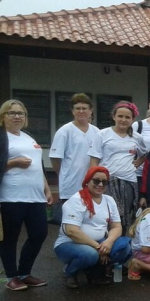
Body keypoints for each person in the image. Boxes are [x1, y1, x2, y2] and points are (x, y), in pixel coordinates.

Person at [0, 100, 52, 291]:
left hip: (35, 196)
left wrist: (47, 188)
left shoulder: (29, 137)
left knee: (39, 233)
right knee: (10, 237)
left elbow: (38, 166)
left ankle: (25, 273)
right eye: (12, 113)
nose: (17, 116)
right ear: (3, 116)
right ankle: (12, 276)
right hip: (10, 196)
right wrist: (13, 163)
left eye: (21, 113)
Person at [53, 167, 132, 288]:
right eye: (96, 181)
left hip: (99, 242)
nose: (100, 184)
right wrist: (99, 248)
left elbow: (117, 226)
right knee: (90, 254)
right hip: (69, 243)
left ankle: (95, 272)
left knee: (124, 248)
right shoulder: (76, 200)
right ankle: (70, 272)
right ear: (87, 181)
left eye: (104, 182)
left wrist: (109, 242)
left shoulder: (109, 200)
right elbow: (71, 231)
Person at [89, 101, 147, 232]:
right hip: (106, 182)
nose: (123, 120)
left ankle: (121, 246)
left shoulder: (137, 137)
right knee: (107, 215)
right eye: (120, 116)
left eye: (127, 117)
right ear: (114, 116)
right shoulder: (102, 135)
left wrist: (138, 162)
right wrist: (93, 181)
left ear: (133, 119)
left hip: (128, 182)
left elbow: (145, 154)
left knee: (126, 216)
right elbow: (94, 160)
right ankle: (104, 244)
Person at [49, 93, 99, 225]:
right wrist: (63, 174)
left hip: (91, 186)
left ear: (91, 110)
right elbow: (55, 159)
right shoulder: (64, 131)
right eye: (78, 108)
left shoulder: (97, 132)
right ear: (72, 111)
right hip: (71, 186)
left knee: (89, 222)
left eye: (84, 108)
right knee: (70, 224)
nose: (81, 111)